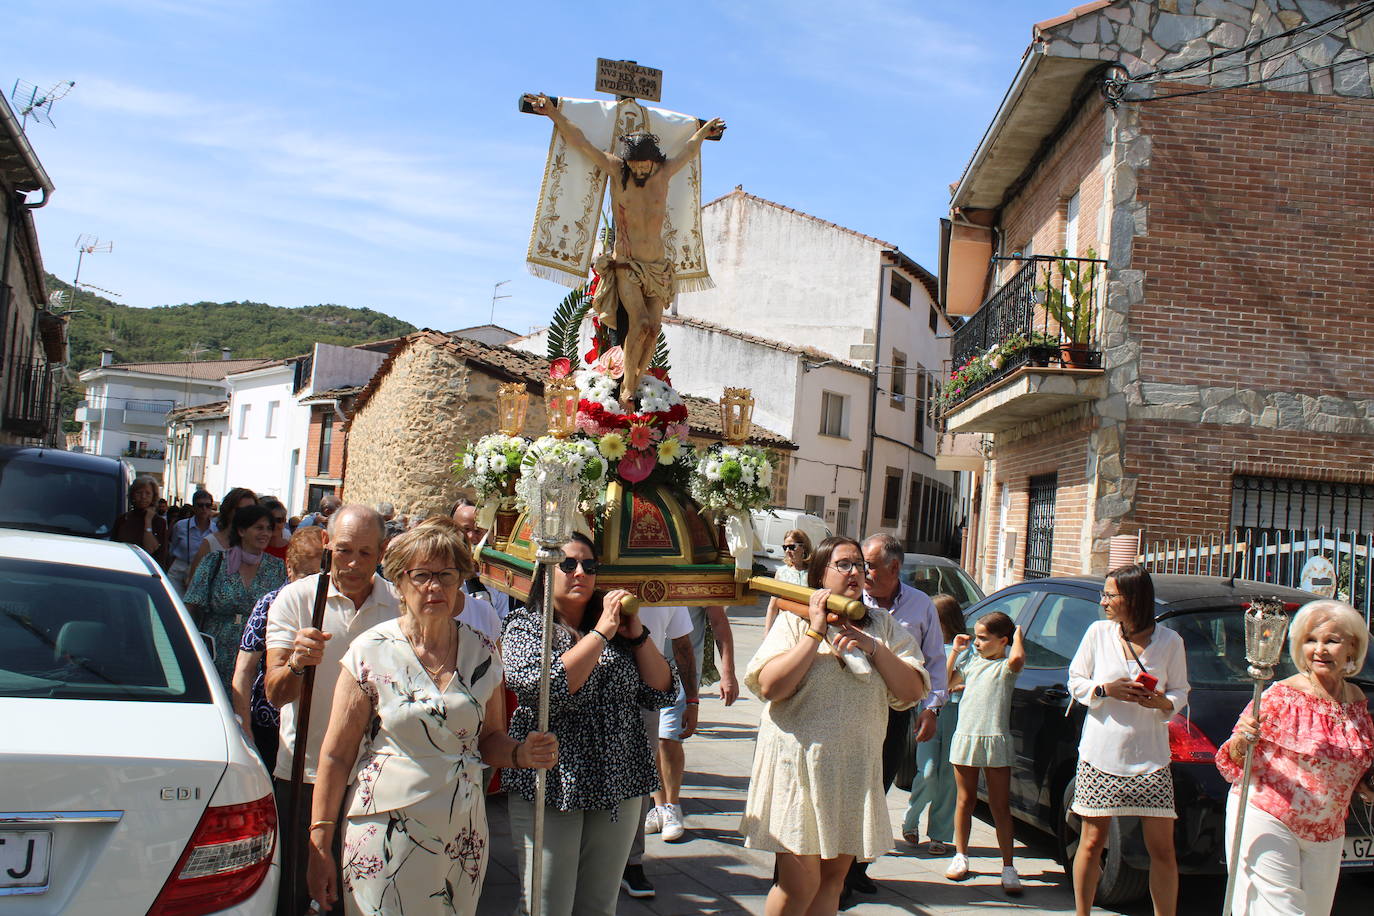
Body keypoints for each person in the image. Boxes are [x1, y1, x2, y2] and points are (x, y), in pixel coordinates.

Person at [305, 523, 558, 916]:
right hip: (386, 827)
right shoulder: (369, 652)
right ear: (399, 582)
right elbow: (336, 756)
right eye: (421, 575)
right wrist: (319, 839)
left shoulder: (482, 651)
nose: (434, 587)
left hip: (463, 828)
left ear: (460, 582)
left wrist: (522, 754)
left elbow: (489, 737)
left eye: (446, 575)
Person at [741, 536, 929, 915]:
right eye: (843, 564)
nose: (856, 571)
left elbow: (910, 690)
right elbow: (770, 685)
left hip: (852, 772)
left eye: (860, 564)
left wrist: (870, 646)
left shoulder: (883, 626)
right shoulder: (794, 623)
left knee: (832, 884)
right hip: (799, 772)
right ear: (820, 574)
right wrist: (814, 632)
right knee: (800, 884)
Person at [501, 532, 677, 916]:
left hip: (620, 776)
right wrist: (601, 633)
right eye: (568, 565)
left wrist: (639, 636)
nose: (579, 572)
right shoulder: (525, 626)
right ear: (545, 573)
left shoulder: (619, 631)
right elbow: (543, 687)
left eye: (589, 566)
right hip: (554, 779)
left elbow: (662, 691)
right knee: (547, 904)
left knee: (598, 904)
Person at [525, 92, 725, 394]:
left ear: (653, 161)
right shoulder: (618, 172)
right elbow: (580, 142)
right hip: (627, 265)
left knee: (654, 329)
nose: (641, 170)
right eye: (637, 165)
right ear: (628, 161)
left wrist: (702, 132)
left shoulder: (664, 172)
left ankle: (636, 379)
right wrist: (554, 114)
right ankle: (629, 389)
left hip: (658, 267)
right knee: (641, 324)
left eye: (645, 165)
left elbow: (688, 150)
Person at [265, 504, 401, 916]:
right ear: (326, 544)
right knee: (296, 895)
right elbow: (275, 692)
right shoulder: (297, 599)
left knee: (360, 896)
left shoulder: (397, 604)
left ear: (382, 552)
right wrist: (296, 664)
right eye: (344, 551)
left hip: (373, 777)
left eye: (365, 552)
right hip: (303, 772)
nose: (354, 564)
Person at [1216, 599, 1374, 916]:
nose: (1319, 650)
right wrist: (1243, 739)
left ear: (1352, 647)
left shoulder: (1356, 701)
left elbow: (1351, 764)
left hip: (1327, 829)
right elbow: (1232, 760)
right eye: (1310, 641)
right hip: (1268, 815)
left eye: (1331, 640)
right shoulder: (1280, 695)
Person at [1067, 564, 1189, 916]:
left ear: (1133, 599)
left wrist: (1163, 701)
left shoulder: (1170, 642)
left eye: (1110, 595)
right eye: (1104, 594)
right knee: (1091, 843)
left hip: (1150, 757)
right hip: (1101, 754)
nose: (1102, 601)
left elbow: (1181, 691)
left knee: (1162, 849)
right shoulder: (1097, 634)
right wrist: (1106, 689)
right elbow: (1075, 680)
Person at [846, 532, 946, 896]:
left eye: (868, 565)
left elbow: (935, 660)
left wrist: (931, 708)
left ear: (895, 567)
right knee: (850, 787)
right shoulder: (852, 600)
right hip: (852, 710)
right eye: (857, 564)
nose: (862, 572)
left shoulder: (921, 605)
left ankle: (857, 867)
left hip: (895, 711)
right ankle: (838, 871)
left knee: (878, 789)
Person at [231, 526, 325, 773]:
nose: (312, 584)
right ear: (289, 569)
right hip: (271, 724)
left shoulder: (334, 606)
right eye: (306, 575)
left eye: (319, 574)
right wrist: (245, 728)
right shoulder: (270, 604)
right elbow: (244, 670)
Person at [945, 611, 1026, 892]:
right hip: (967, 737)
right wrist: (955, 653)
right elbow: (944, 683)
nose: (977, 643)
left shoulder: (1005, 667)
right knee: (964, 800)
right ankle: (960, 855)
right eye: (976, 637)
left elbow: (1017, 659)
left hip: (995, 740)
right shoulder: (971, 664)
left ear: (1002, 641)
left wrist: (1017, 637)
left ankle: (1008, 866)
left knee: (999, 805)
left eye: (983, 638)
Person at [647, 604, 738, 849]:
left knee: (669, 736)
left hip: (683, 666)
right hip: (645, 662)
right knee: (651, 738)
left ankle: (672, 805)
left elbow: (718, 621)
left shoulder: (694, 572)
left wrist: (728, 672)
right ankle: (658, 805)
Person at [622, 604, 695, 899]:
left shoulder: (663, 584)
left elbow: (682, 643)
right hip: (593, 680)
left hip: (646, 686)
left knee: (639, 775)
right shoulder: (591, 576)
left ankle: (632, 862)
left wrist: (691, 700)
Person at [184, 503, 286, 687]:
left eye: (269, 529)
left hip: (256, 655)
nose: (265, 533)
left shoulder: (278, 568)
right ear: (241, 530)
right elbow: (190, 605)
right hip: (213, 654)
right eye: (259, 528)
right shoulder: (214, 562)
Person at [902, 593, 966, 855]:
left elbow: (955, 681)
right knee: (927, 773)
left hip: (956, 717)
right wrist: (952, 668)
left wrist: (952, 673)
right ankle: (911, 819)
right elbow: (943, 682)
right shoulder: (927, 647)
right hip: (929, 713)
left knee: (949, 778)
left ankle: (939, 834)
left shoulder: (966, 648)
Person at [453, 499, 511, 619]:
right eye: (465, 530)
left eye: (478, 531)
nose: (470, 536)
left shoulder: (497, 579)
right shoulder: (443, 573)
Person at [187, 487, 257, 581]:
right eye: (240, 510)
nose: (247, 515)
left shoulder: (257, 545)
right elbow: (194, 584)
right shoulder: (210, 543)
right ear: (228, 511)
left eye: (252, 510)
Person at [113, 476, 168, 567]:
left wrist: (148, 521)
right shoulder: (123, 519)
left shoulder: (159, 522)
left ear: (153, 496)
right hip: (122, 566)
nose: (143, 497)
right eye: (139, 493)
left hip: (148, 569)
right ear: (133, 495)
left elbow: (151, 549)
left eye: (147, 493)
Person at [765, 529, 813, 632]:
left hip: (808, 628)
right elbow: (773, 606)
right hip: (785, 627)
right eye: (785, 547)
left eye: (792, 547)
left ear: (803, 547)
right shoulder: (781, 573)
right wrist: (767, 633)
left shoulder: (814, 573)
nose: (787, 551)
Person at [168, 489, 215, 592]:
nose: (204, 509)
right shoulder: (181, 526)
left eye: (208, 505)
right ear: (194, 507)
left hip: (203, 574)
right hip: (179, 572)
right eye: (200, 505)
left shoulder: (215, 530)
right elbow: (172, 550)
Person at [260, 496, 291, 561]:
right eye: (270, 520)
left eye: (279, 520)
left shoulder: (292, 550)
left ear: (284, 521)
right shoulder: (257, 548)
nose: (275, 524)